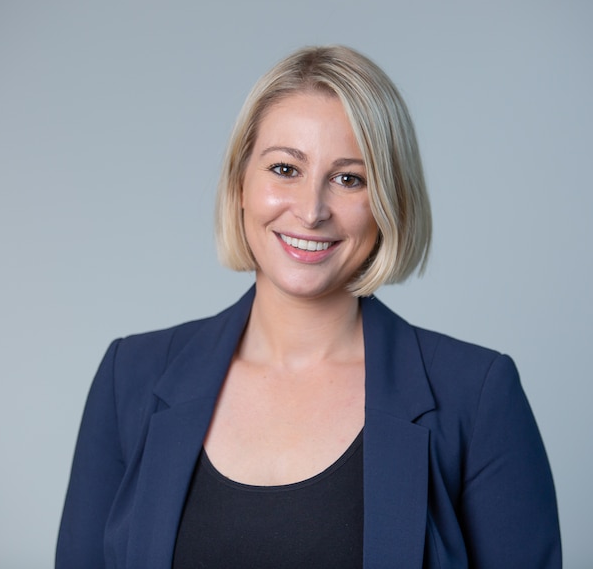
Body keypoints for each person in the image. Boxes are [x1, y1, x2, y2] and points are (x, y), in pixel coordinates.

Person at [56, 45, 561, 568]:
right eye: (284, 169)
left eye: (349, 178)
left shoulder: (476, 397)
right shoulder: (130, 378)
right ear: (240, 185)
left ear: (391, 202)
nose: (311, 210)